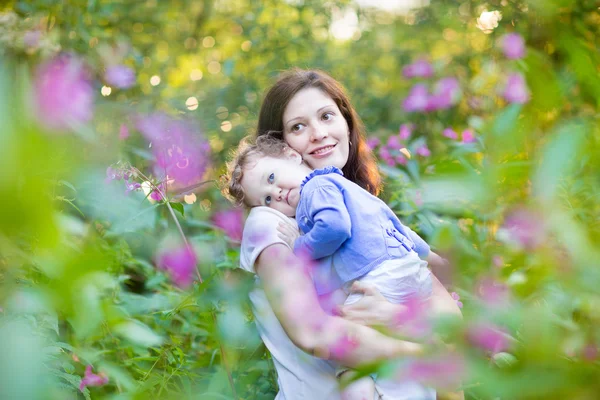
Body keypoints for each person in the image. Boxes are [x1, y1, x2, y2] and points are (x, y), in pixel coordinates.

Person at [225, 68, 462, 399]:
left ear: (347, 123)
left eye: (326, 116)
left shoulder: (357, 206)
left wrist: (395, 316)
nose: (318, 133)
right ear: (282, 146)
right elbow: (313, 333)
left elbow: (446, 313)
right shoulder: (269, 221)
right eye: (298, 126)